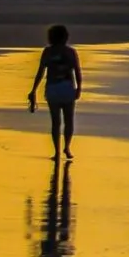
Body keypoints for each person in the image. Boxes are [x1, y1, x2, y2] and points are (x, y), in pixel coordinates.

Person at [26, 24, 82, 158]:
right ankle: (67, 148)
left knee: (55, 122)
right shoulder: (70, 52)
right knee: (69, 121)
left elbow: (40, 72)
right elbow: (77, 71)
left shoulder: (47, 52)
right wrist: (79, 87)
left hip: (53, 88)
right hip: (67, 88)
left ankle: (57, 152)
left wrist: (34, 90)